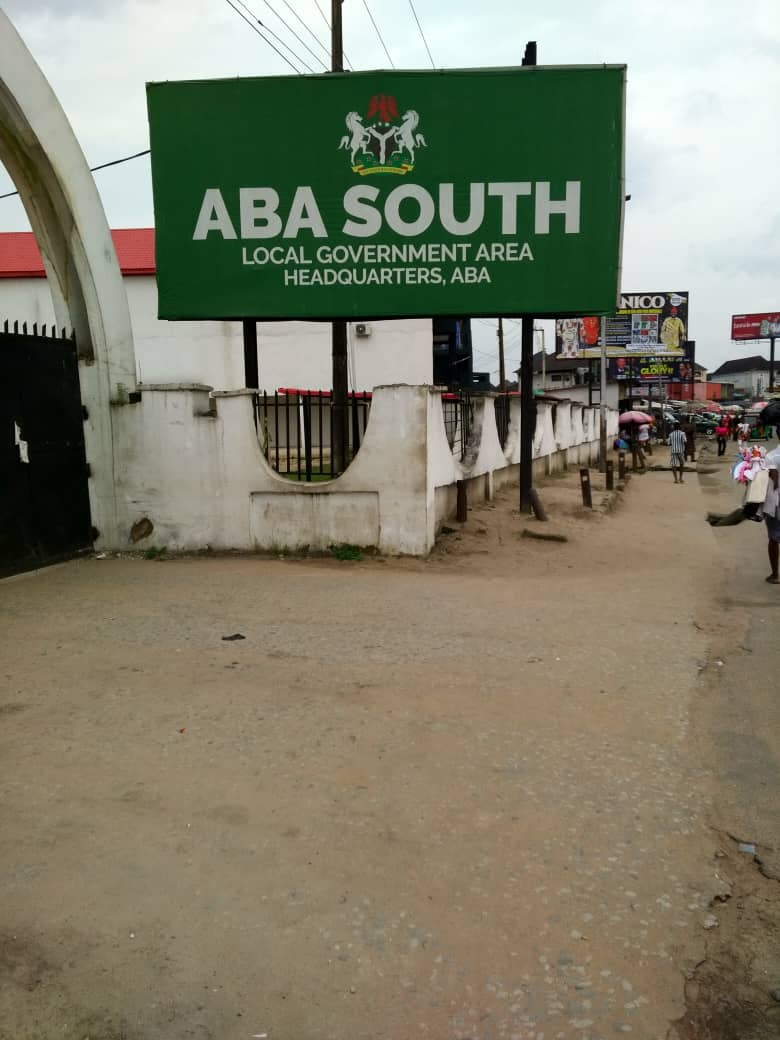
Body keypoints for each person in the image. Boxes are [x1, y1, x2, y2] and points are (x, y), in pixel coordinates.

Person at [762, 447, 780, 584]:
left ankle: (775, 575)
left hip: (776, 504)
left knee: (774, 539)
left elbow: (774, 482)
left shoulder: (771, 456)